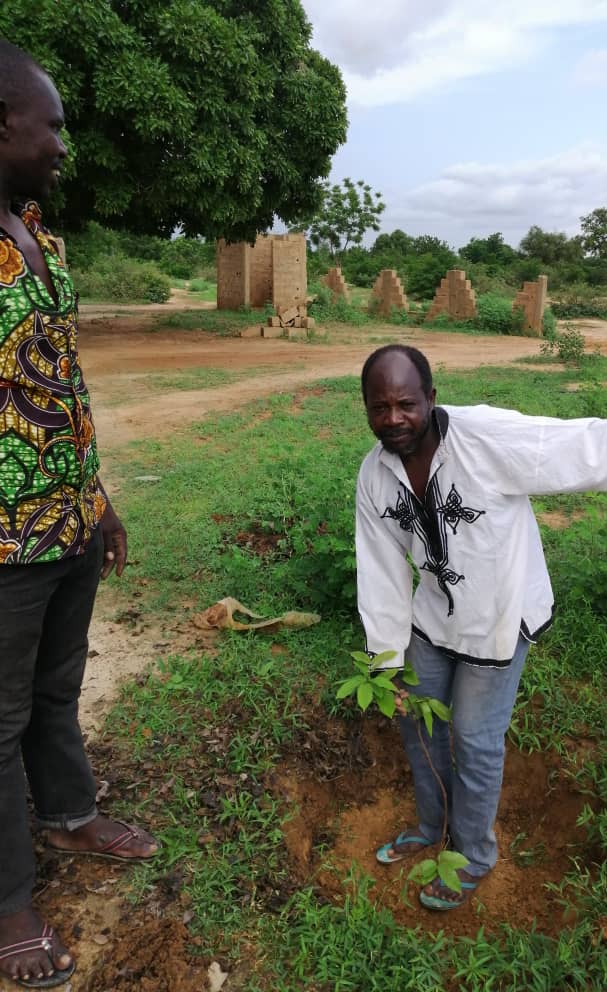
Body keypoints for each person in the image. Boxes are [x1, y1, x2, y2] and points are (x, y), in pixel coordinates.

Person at [355, 343, 607, 912]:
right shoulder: (375, 475)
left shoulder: (487, 439)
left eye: (405, 404)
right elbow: (382, 568)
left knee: (475, 740)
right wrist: (385, 659)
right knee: (418, 727)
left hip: (500, 617)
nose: (393, 419)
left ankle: (474, 855)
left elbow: (592, 445)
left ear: (431, 399)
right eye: (378, 406)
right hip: (434, 620)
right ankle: (431, 827)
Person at [0, 40, 158, 988]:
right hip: (2, 543)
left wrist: (98, 500)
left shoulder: (41, 241)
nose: (64, 142)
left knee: (56, 694)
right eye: (50, 124)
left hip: (65, 528)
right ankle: (9, 900)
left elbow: (65, 389)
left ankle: (68, 815)